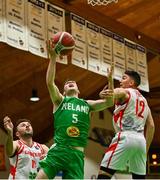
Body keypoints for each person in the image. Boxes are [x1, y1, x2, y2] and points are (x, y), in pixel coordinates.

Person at [36, 40, 114, 179]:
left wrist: (110, 81)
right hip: (60, 149)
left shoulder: (87, 104)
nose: (69, 83)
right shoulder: (60, 100)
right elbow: (49, 82)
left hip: (77, 155)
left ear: (78, 90)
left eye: (73, 83)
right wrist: (53, 58)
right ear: (64, 91)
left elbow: (109, 102)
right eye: (66, 84)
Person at [97, 70, 155, 179]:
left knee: (104, 175)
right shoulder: (144, 101)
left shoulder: (125, 92)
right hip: (141, 141)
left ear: (131, 83)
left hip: (125, 137)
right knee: (139, 178)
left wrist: (106, 87)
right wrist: (145, 148)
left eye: (123, 78)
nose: (120, 81)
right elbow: (151, 126)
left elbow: (112, 93)